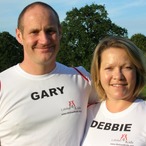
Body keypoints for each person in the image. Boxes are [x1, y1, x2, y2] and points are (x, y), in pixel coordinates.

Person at [0, 1, 97, 146]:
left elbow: (124, 106)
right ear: (19, 36)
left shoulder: (82, 79)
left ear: (60, 32)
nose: (44, 40)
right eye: (34, 32)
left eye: (50, 31)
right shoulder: (3, 85)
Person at [82, 36, 146, 146]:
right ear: (98, 73)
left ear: (137, 71)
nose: (118, 76)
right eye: (109, 68)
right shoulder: (86, 113)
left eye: (127, 67)